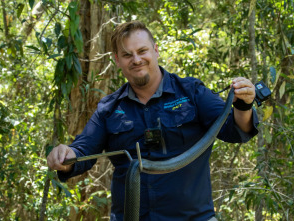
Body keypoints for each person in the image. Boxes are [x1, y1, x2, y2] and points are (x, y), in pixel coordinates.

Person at [47, 20, 259, 221]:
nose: (136, 59)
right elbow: (83, 151)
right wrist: (65, 156)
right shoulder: (109, 108)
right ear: (117, 60)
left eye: (142, 51)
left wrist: (243, 104)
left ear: (155, 50)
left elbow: (235, 130)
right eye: (127, 54)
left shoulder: (192, 92)